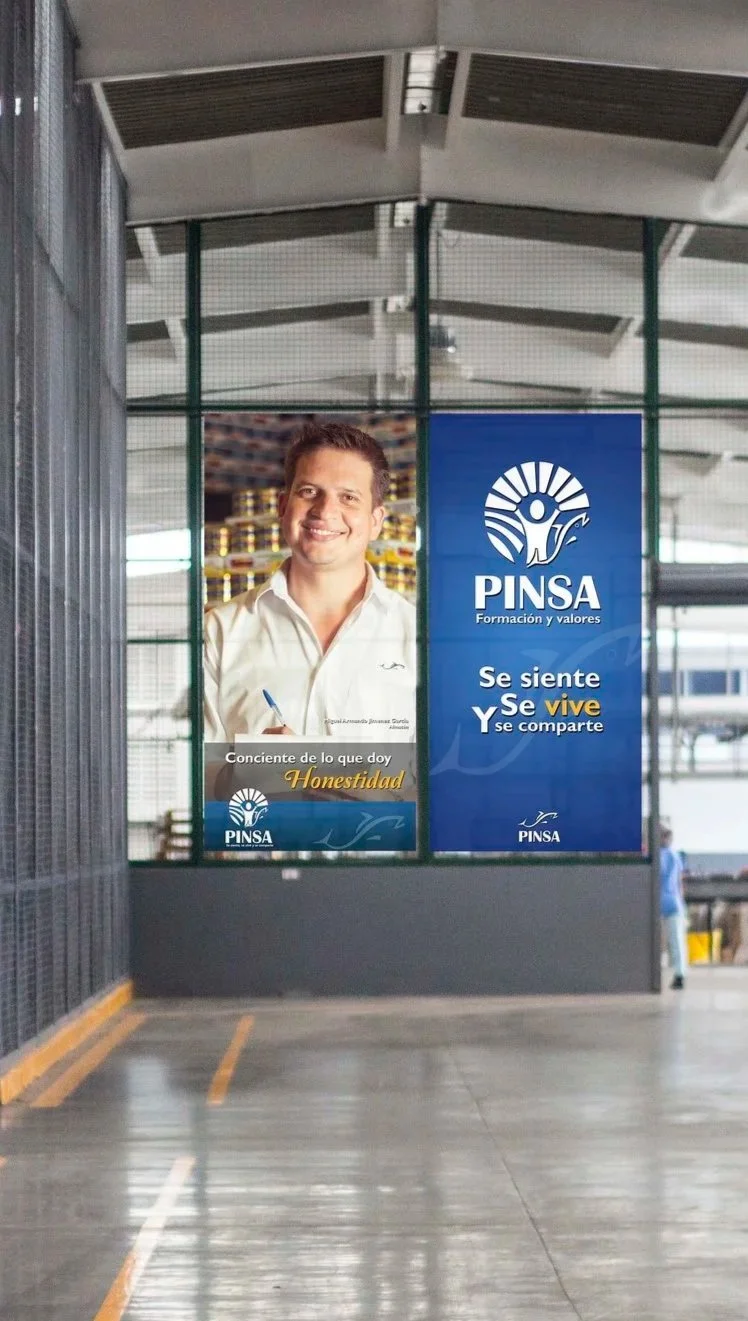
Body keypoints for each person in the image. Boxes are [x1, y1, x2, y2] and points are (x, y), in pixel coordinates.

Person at [204, 421, 416, 744]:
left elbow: (442, 767)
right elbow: (192, 768)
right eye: (309, 492)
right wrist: (251, 765)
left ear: (376, 522)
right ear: (283, 506)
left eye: (348, 497)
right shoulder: (219, 633)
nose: (325, 511)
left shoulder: (417, 636)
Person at [660, 825, 687, 989]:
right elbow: (679, 882)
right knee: (676, 940)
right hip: (674, 903)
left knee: (670, 941)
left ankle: (679, 974)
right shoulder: (675, 856)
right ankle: (679, 974)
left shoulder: (660, 855)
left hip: (661, 902)